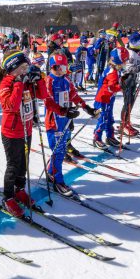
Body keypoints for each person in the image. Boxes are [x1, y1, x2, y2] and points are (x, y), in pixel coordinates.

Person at [0, 50, 53, 217]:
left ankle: (19, 189)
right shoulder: (6, 83)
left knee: (24, 163)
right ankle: (7, 197)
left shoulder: (25, 80)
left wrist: (38, 80)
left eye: (27, 67)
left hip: (26, 129)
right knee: (13, 165)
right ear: (13, 68)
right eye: (23, 67)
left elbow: (42, 95)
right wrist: (19, 82)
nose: (26, 70)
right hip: (11, 132)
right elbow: (11, 106)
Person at [44, 53, 96, 196]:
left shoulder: (66, 79)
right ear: (52, 67)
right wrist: (63, 111)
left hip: (65, 120)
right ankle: (57, 179)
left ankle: (51, 172)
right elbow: (48, 102)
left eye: (63, 67)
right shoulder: (48, 81)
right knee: (59, 151)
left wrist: (86, 108)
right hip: (54, 122)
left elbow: (73, 95)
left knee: (61, 150)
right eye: (58, 68)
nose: (61, 71)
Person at [92, 48, 126, 148]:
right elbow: (111, 87)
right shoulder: (112, 73)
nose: (126, 63)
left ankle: (109, 136)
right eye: (125, 61)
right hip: (103, 99)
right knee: (103, 119)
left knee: (109, 118)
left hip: (108, 99)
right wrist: (122, 87)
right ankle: (97, 138)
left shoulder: (113, 70)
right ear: (119, 61)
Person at [118, 33, 140, 137]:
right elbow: (127, 68)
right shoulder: (129, 53)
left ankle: (126, 122)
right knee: (128, 102)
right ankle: (123, 124)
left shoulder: (135, 51)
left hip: (133, 78)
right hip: (127, 79)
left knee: (131, 101)